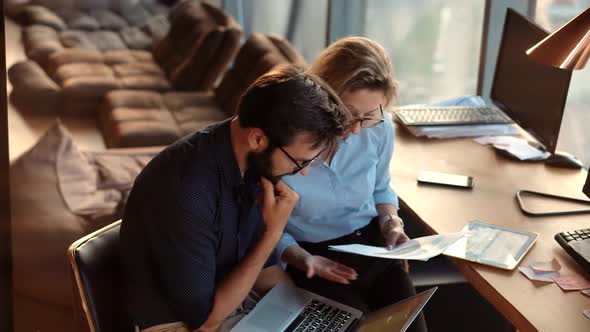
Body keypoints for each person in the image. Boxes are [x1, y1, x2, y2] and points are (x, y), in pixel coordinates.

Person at [120, 64, 350, 332]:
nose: (304, 171)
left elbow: (264, 269)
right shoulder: (186, 191)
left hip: (233, 301)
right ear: (257, 139)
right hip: (182, 324)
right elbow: (204, 321)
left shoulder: (250, 162)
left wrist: (304, 315)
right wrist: (273, 234)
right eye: (298, 161)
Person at [277, 37, 427, 331]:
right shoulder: (287, 140)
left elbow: (381, 188)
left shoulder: (380, 128)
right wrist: (302, 259)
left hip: (373, 246)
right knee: (352, 326)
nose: (356, 128)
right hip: (313, 257)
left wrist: (390, 221)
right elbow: (262, 224)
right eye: (348, 112)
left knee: (411, 327)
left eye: (368, 116)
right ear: (322, 93)